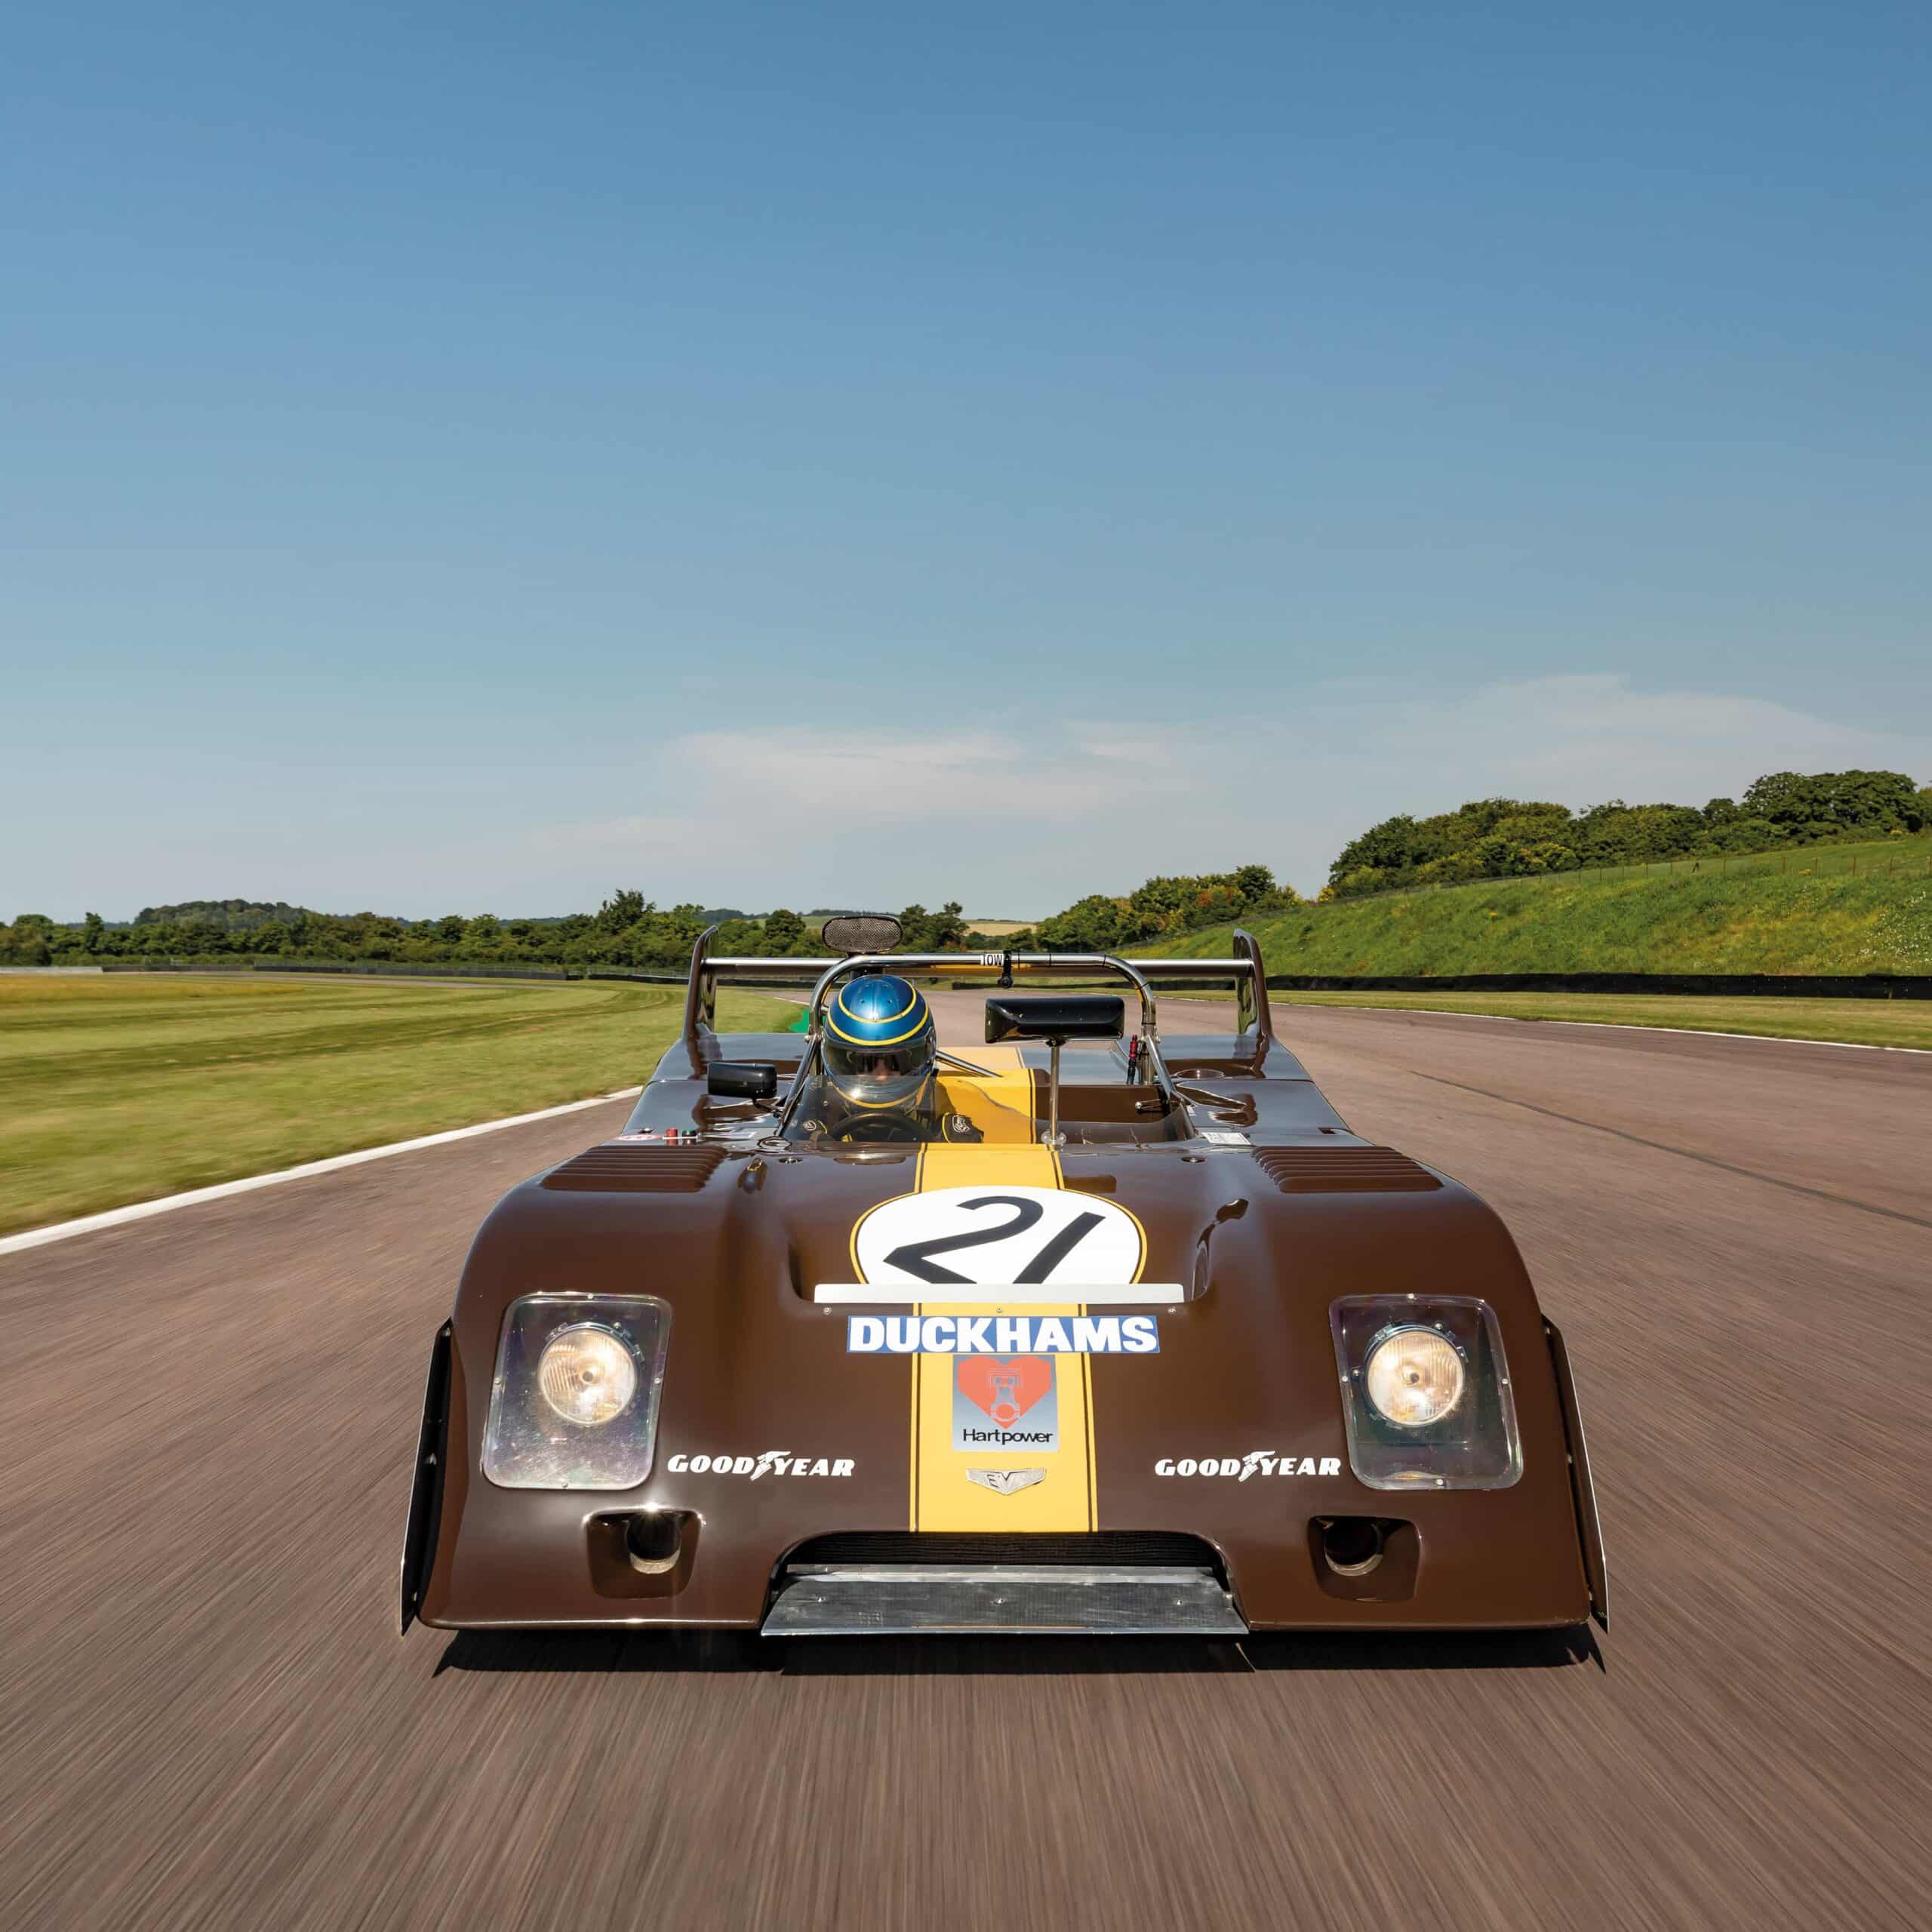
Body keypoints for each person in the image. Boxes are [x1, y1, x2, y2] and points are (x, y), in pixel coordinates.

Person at [794, 973, 983, 1143]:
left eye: (895, 1061)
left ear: (920, 1056)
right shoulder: (812, 1122)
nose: (882, 1075)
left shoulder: (952, 1131)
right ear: (843, 1062)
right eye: (866, 1062)